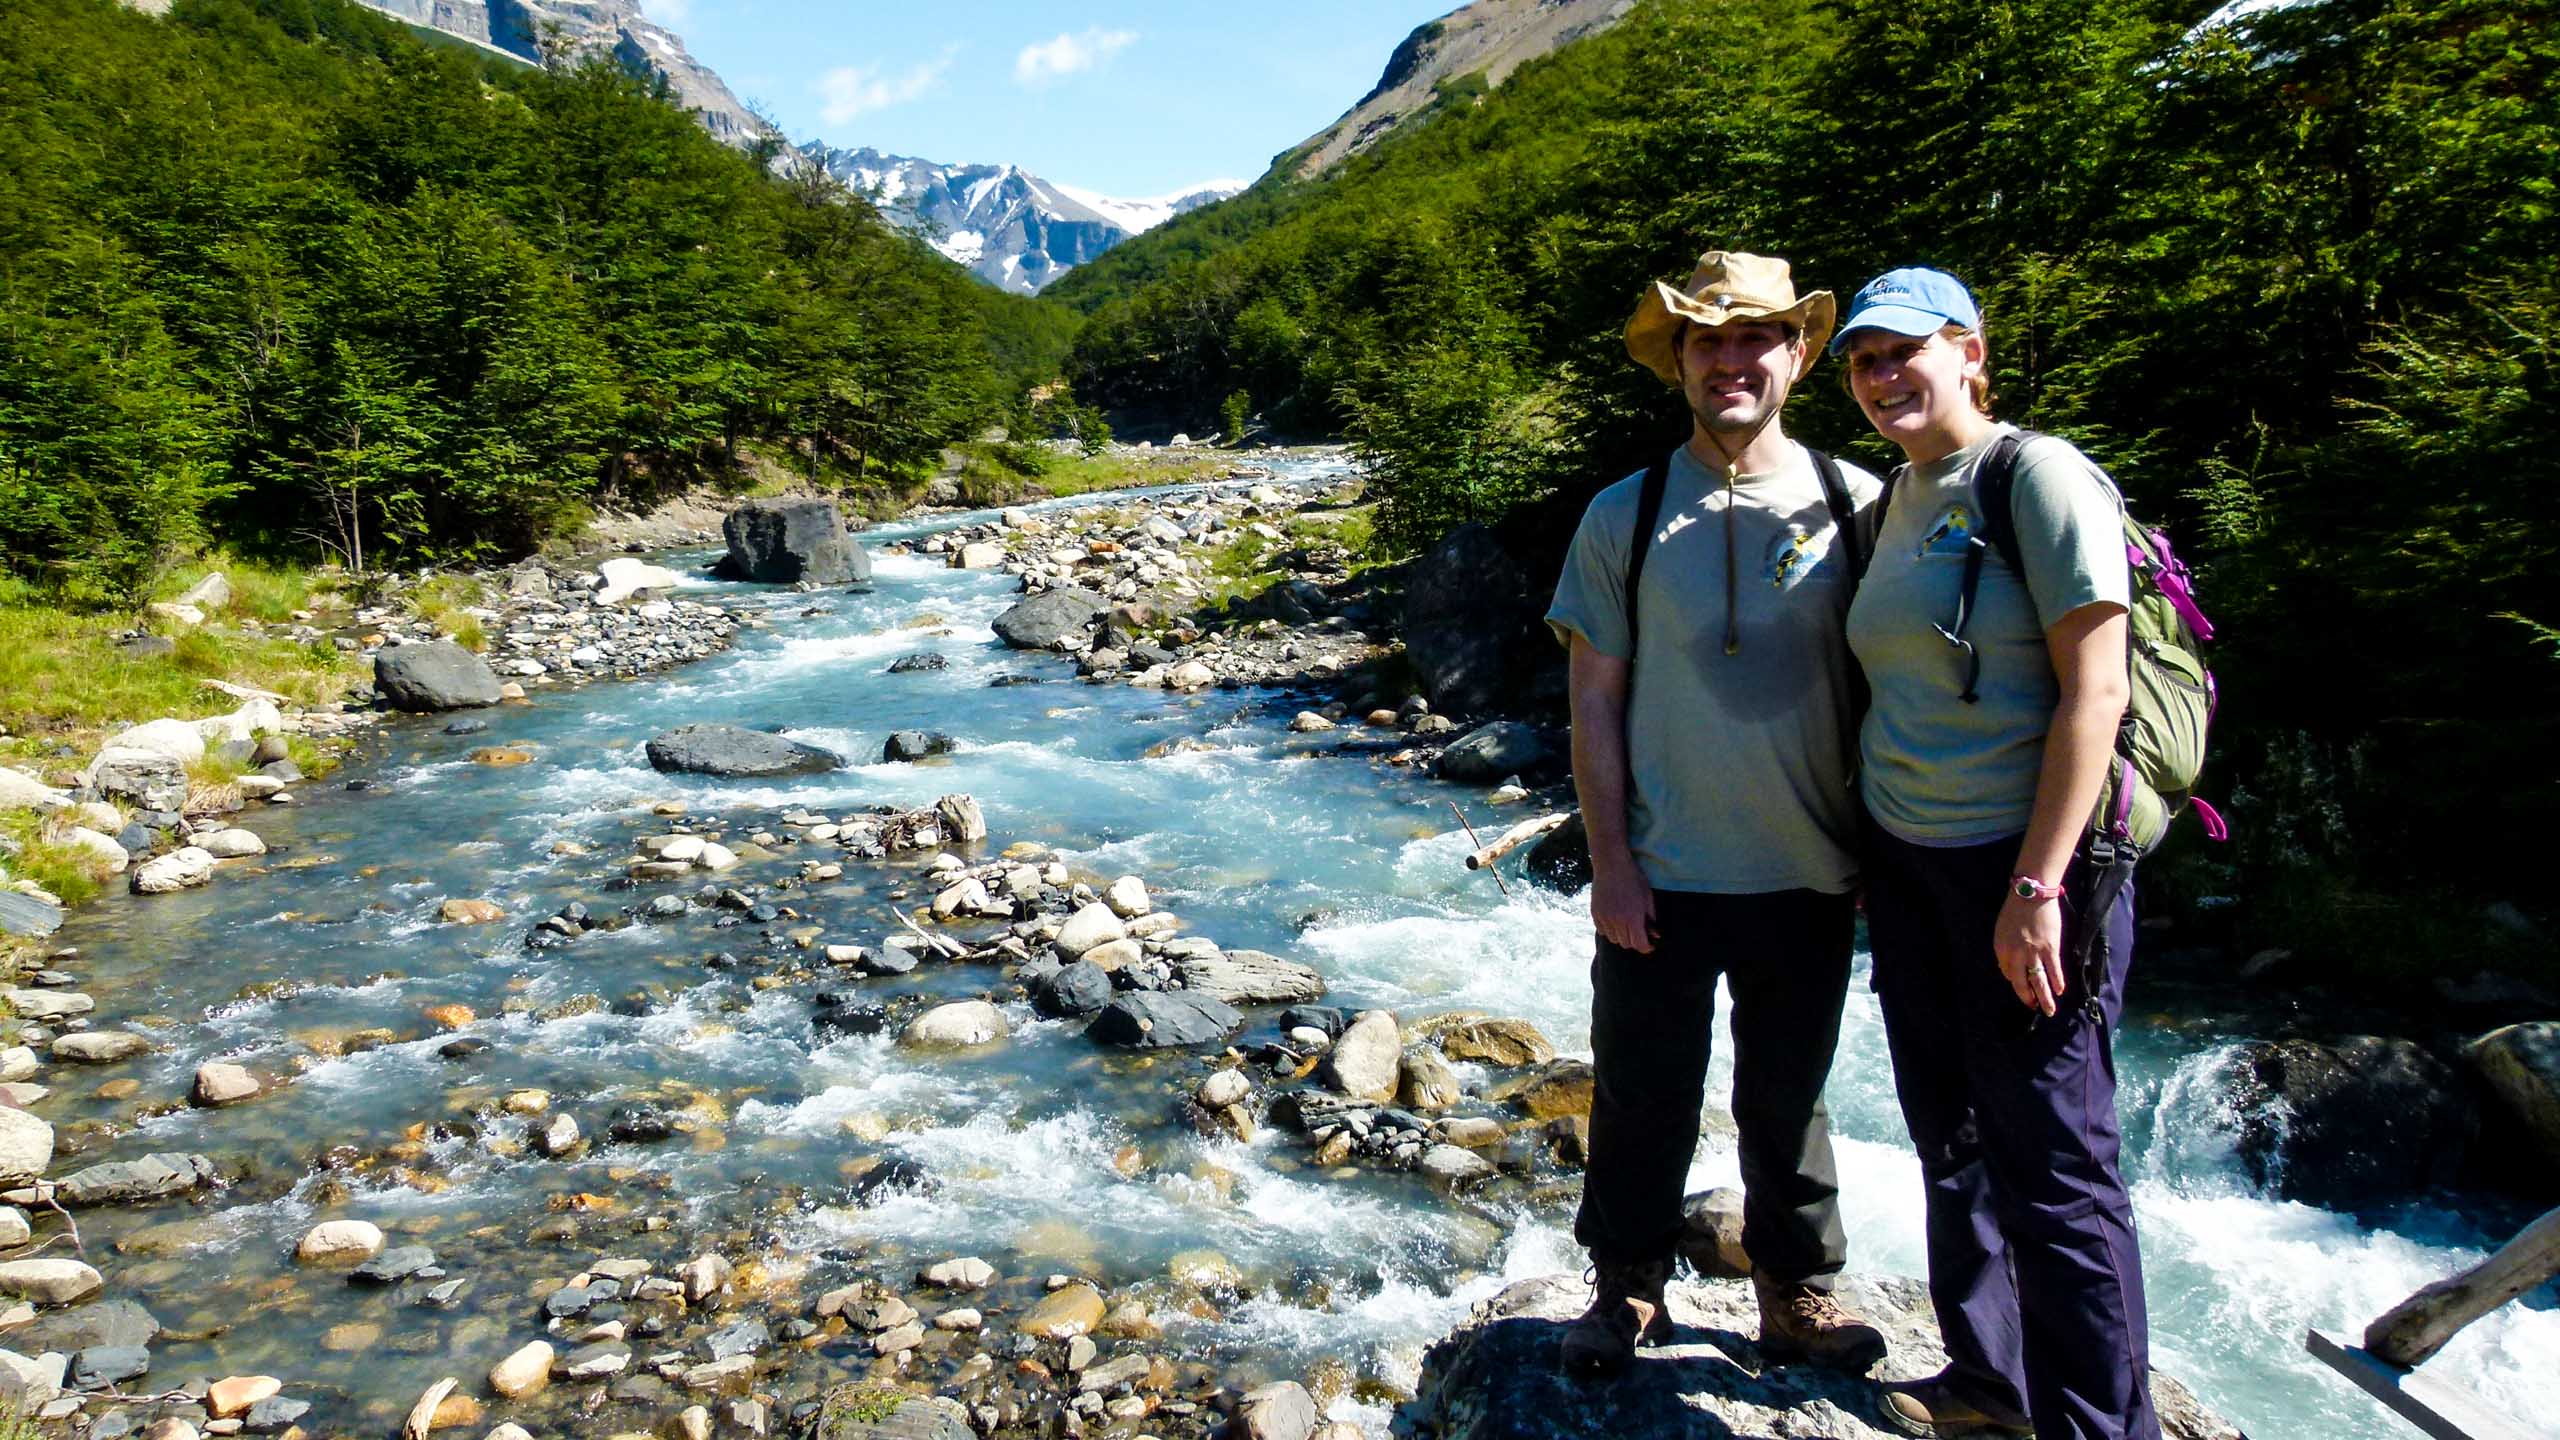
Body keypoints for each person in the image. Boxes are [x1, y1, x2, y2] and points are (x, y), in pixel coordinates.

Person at [1831, 267, 2160, 1440]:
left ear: (1969, 350)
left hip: (2025, 865)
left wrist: (2037, 886)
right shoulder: (1894, 501)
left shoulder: (2039, 475)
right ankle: (1989, 1380)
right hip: (1911, 861)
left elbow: (2098, 690)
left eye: (1900, 353)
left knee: (2057, 1168)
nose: (1879, 379)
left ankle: (2102, 1427)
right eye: (1863, 363)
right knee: (1950, 1135)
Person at [1545, 250, 1886, 1378]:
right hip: (1663, 865)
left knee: (1788, 1096)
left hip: (1813, 865)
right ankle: (1626, 1290)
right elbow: (1593, 699)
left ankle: (1793, 1293)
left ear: (1796, 354)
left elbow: (1902, 692)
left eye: (1754, 339)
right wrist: (1611, 865)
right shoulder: (1625, 513)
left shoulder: (1860, 505)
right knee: (1643, 1090)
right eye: (1707, 341)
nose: (1730, 360)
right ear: (1679, 361)